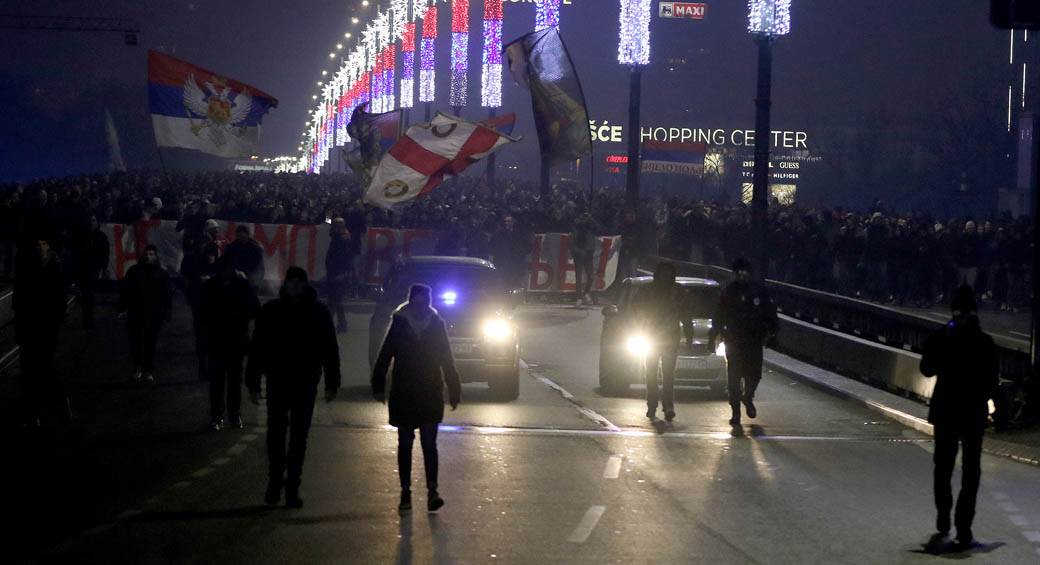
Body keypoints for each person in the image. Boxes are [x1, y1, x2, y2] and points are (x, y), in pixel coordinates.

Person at [247, 267, 340, 509]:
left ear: (304, 284)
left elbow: (329, 349)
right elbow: (258, 348)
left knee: (296, 437)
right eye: (292, 281)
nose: (295, 286)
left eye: (299, 282)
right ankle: (277, 482)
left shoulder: (316, 312)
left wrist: (332, 382)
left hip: (303, 381)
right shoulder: (274, 311)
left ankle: (289, 487)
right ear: (287, 284)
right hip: (280, 380)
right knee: (278, 435)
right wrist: (253, 382)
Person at [919, 285, 998, 548]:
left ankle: (943, 518)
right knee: (971, 471)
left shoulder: (941, 337)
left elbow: (926, 369)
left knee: (942, 467)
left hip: (945, 412)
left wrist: (942, 340)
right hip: (973, 413)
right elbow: (992, 382)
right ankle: (964, 527)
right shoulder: (985, 343)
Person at [372, 284, 461, 515]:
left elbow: (447, 358)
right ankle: (406, 492)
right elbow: (385, 355)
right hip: (404, 392)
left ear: (428, 303)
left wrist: (454, 388)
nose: (420, 306)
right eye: (417, 302)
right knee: (405, 444)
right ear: (411, 302)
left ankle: (432, 491)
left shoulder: (436, 324)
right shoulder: (400, 323)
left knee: (429, 444)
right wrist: (378, 385)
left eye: (424, 302)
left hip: (429, 392)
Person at [710, 258, 778, 427]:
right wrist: (712, 337)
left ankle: (748, 397)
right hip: (733, 341)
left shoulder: (759, 291)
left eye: (745, 271)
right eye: (739, 271)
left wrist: (773, 333)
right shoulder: (728, 292)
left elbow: (770, 313)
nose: (742, 274)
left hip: (754, 340)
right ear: (735, 273)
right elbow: (719, 316)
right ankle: (736, 412)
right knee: (734, 379)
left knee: (754, 375)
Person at [200, 258, 260, 431]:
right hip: (225, 339)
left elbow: (254, 308)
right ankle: (227, 416)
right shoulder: (234, 285)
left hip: (229, 339)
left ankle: (224, 416)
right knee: (224, 381)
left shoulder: (220, 285)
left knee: (228, 381)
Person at [13, 238, 67, 427]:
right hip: (31, 325)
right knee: (31, 369)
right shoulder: (30, 268)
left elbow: (59, 299)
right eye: (38, 244)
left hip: (45, 326)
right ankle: (34, 410)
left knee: (42, 367)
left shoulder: (54, 267)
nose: (40, 247)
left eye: (43, 244)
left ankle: (42, 409)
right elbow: (19, 298)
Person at [631, 262, 681, 422]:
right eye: (664, 274)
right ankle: (653, 404)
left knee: (667, 374)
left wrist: (688, 332)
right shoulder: (648, 290)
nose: (666, 278)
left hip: (670, 337)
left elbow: (685, 312)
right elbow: (635, 307)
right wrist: (642, 321)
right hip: (653, 335)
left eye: (669, 275)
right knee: (652, 373)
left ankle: (667, 406)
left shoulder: (677, 291)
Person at [118, 245, 172, 383]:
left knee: (150, 343)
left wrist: (167, 311)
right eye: (147, 254)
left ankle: (147, 370)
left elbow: (167, 294)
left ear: (155, 256)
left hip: (153, 314)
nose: (148, 256)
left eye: (151, 254)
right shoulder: (134, 272)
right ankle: (138, 368)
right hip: (136, 312)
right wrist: (122, 308)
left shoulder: (161, 274)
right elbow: (126, 291)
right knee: (136, 342)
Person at [75, 215, 110, 330]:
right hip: (84, 268)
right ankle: (87, 318)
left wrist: (103, 267)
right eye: (90, 220)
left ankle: (88, 318)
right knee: (87, 293)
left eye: (93, 220)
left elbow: (105, 252)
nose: (91, 223)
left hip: (93, 268)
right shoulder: (83, 236)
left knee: (89, 293)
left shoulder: (101, 236)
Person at [325, 218, 351, 332]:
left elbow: (342, 259)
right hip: (336, 272)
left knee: (333, 300)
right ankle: (342, 324)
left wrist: (341, 273)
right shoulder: (340, 238)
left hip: (337, 273)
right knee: (337, 300)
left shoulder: (341, 240)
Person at [223, 224, 265, 292]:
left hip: (252, 274)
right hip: (237, 274)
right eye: (238, 235)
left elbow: (258, 265)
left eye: (242, 235)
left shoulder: (255, 247)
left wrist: (247, 274)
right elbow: (228, 260)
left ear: (247, 235)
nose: (240, 237)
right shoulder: (232, 247)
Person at [571, 213, 597, 306]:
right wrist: (578, 251)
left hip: (588, 255)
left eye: (586, 217)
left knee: (591, 276)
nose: (584, 219)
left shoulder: (591, 227)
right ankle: (579, 298)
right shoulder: (576, 228)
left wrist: (591, 219)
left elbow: (600, 229)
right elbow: (572, 242)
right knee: (578, 278)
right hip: (578, 255)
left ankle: (586, 293)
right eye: (583, 217)